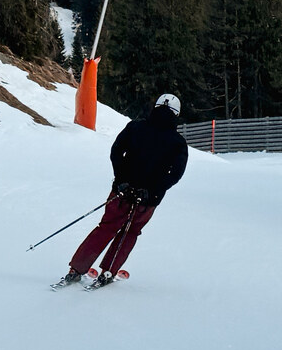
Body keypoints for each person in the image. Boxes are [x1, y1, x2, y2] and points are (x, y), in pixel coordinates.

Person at [63, 93, 192, 284]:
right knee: (130, 231)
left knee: (106, 227)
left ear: (155, 107)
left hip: (121, 192)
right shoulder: (178, 142)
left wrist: (121, 180)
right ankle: (108, 271)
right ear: (176, 114)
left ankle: (76, 269)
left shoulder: (135, 127)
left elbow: (116, 151)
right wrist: (153, 190)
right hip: (148, 199)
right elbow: (175, 173)